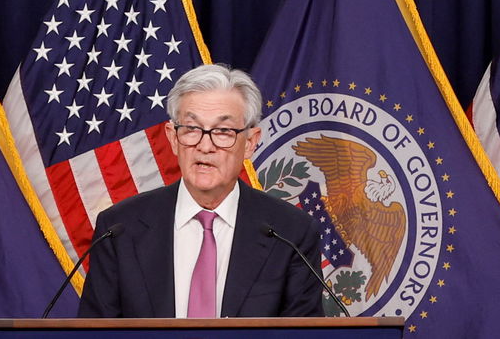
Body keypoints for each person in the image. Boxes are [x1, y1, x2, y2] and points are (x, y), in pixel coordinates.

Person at [77, 64, 325, 318]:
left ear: (250, 143)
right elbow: (95, 334)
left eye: (223, 132)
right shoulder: (118, 229)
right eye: (192, 129)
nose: (205, 146)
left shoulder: (291, 233)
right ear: (173, 138)